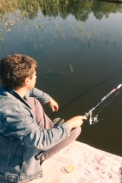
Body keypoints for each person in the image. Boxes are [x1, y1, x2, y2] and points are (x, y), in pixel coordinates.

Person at [0, 54, 87, 183]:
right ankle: (40, 157)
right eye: (34, 74)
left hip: (10, 144)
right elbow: (39, 140)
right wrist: (69, 124)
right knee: (75, 130)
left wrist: (48, 99)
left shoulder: (6, 90)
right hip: (15, 170)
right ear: (26, 81)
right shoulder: (14, 111)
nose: (36, 76)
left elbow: (30, 91)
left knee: (32, 100)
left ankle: (51, 130)